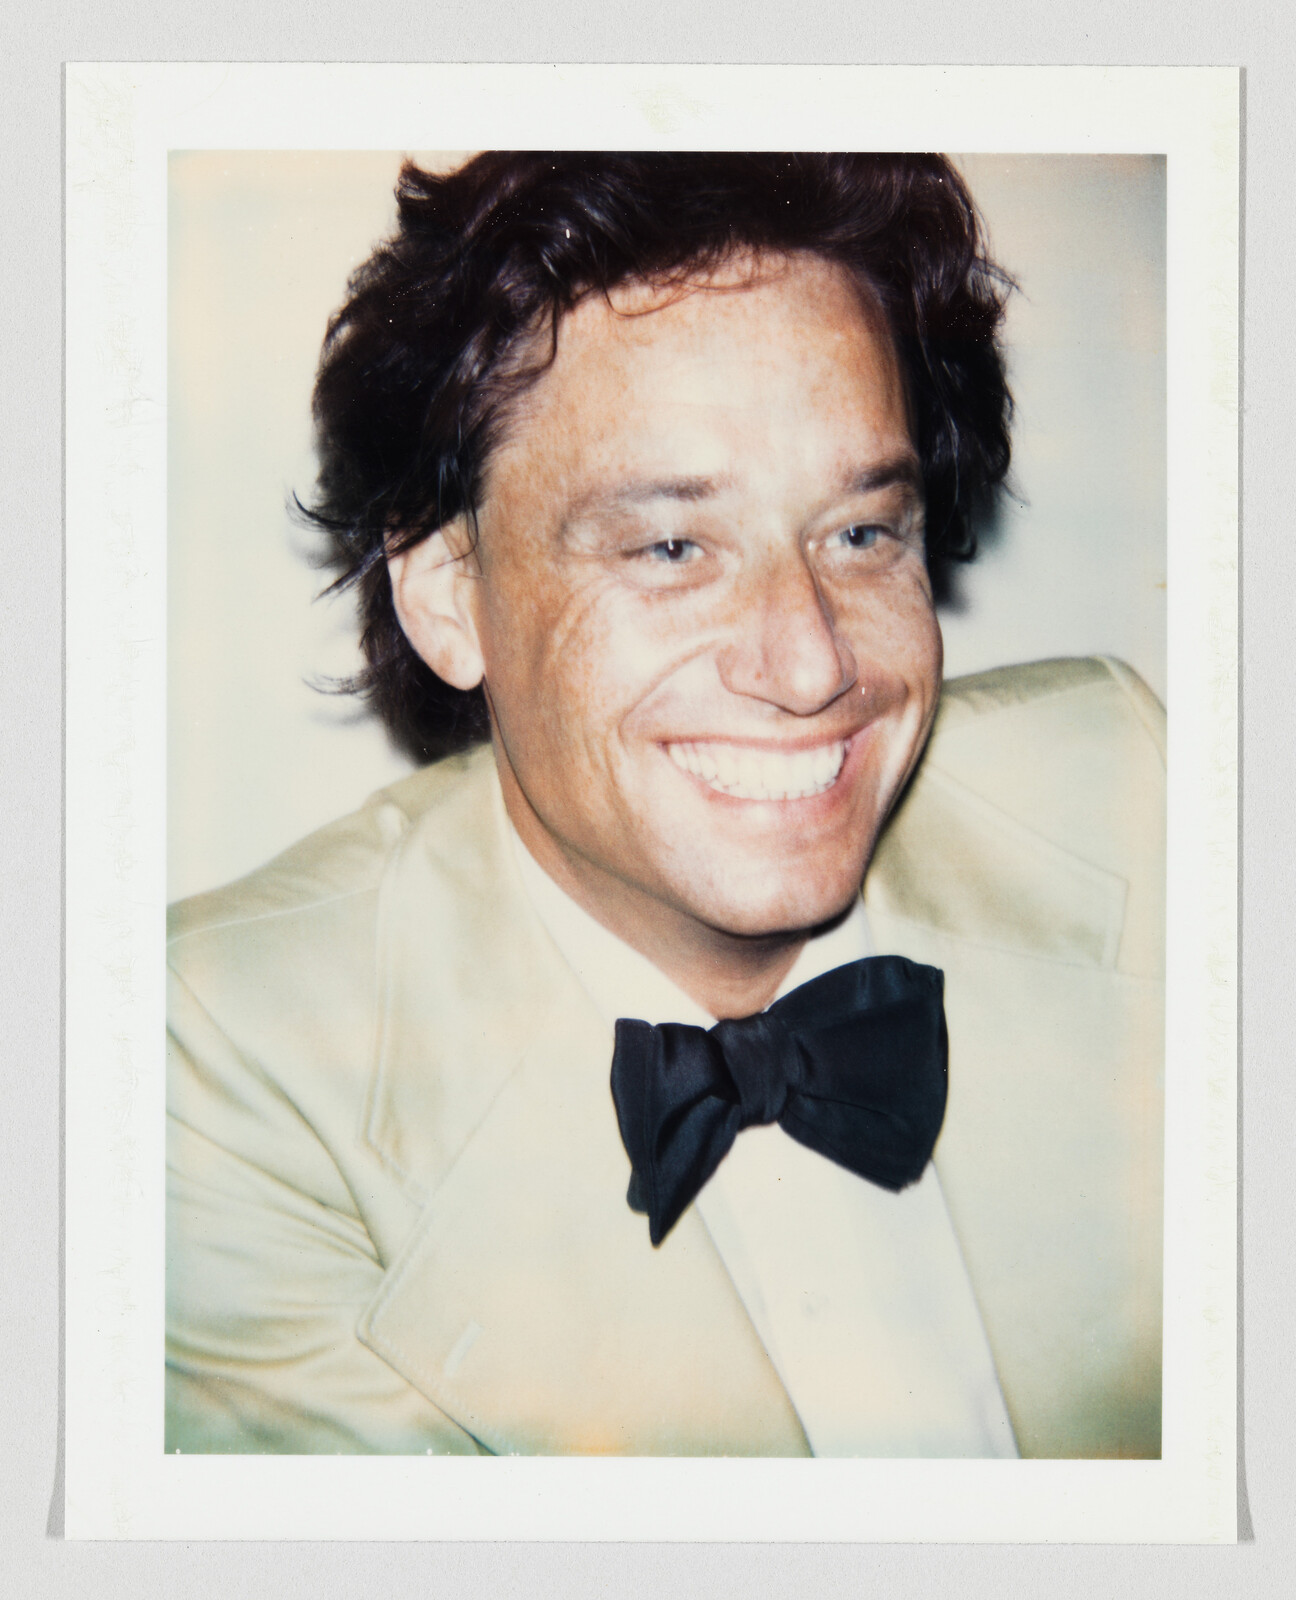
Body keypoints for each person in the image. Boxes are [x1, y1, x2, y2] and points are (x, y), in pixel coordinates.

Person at [165, 152, 1164, 1459]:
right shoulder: (223, 1071)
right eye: (672, 549)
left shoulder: (1136, 791)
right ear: (447, 593)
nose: (810, 664)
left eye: (863, 533)